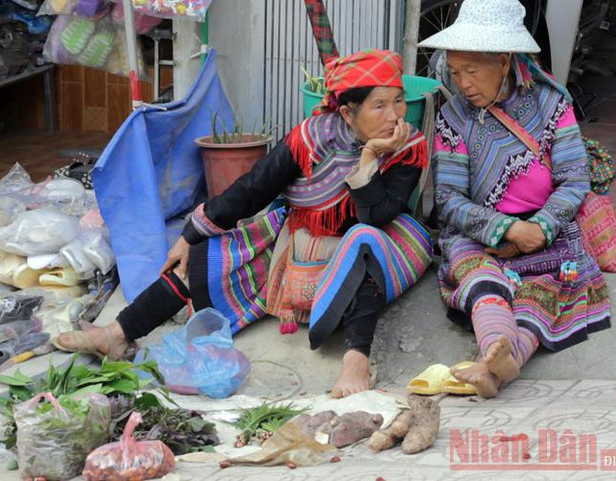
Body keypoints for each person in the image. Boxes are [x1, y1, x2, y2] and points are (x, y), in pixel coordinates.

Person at [55, 49, 433, 398]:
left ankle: (357, 363)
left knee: (362, 242)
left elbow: (380, 215)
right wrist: (192, 233)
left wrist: (369, 160)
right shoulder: (308, 140)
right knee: (201, 259)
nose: (395, 115)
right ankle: (118, 334)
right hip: (305, 243)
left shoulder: (408, 147)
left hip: (378, 245)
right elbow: (254, 188)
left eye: (398, 101)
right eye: (379, 105)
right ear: (348, 113)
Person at [419, 0, 611, 397]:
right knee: (483, 280)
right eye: (455, 73)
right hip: (479, 237)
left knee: (540, 293)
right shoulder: (453, 117)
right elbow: (450, 199)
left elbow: (575, 180)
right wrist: (505, 228)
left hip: (548, 235)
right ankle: (494, 349)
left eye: (472, 71)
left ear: (503, 62)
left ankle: (497, 366)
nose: (463, 83)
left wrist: (538, 228)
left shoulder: (552, 105)